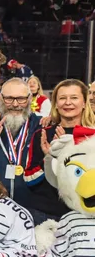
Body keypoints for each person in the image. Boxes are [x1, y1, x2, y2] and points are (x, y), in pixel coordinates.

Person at [25, 79, 95, 221]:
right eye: (62, 98)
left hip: (84, 215)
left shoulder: (92, 135)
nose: (68, 102)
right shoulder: (42, 134)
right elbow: (28, 179)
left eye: (74, 98)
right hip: (45, 215)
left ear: (84, 103)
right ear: (56, 104)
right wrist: (49, 157)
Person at [0, 77, 40, 210]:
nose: (15, 104)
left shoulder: (41, 126)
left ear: (29, 98)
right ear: (0, 98)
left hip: (33, 208)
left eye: (21, 99)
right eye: (9, 99)